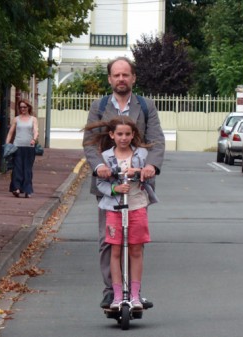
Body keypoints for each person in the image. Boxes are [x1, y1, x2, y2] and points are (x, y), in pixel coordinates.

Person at [83, 56, 165, 309]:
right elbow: (90, 142)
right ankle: (112, 291)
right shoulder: (99, 106)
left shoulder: (145, 105)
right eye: (116, 75)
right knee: (109, 241)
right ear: (110, 79)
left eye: (125, 75)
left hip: (137, 184)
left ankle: (134, 291)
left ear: (133, 78)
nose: (121, 79)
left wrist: (151, 165)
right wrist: (99, 167)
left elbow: (156, 139)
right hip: (109, 183)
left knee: (135, 239)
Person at [84, 116, 158, 310]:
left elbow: (149, 177)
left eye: (127, 134)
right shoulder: (106, 156)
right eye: (119, 134)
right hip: (114, 209)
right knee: (115, 250)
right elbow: (100, 183)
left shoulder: (141, 154)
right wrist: (114, 189)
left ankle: (135, 295)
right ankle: (116, 295)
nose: (123, 138)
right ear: (112, 135)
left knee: (135, 249)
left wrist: (141, 171)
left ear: (133, 135)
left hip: (137, 205)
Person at [5, 99, 39, 198]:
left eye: (24, 107)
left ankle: (28, 190)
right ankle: (17, 188)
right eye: (20, 107)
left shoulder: (33, 119)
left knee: (27, 169)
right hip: (17, 146)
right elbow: (11, 132)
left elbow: (36, 131)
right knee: (17, 169)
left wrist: (34, 139)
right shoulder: (16, 119)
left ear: (28, 107)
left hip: (29, 147)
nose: (22, 109)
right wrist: (7, 144)